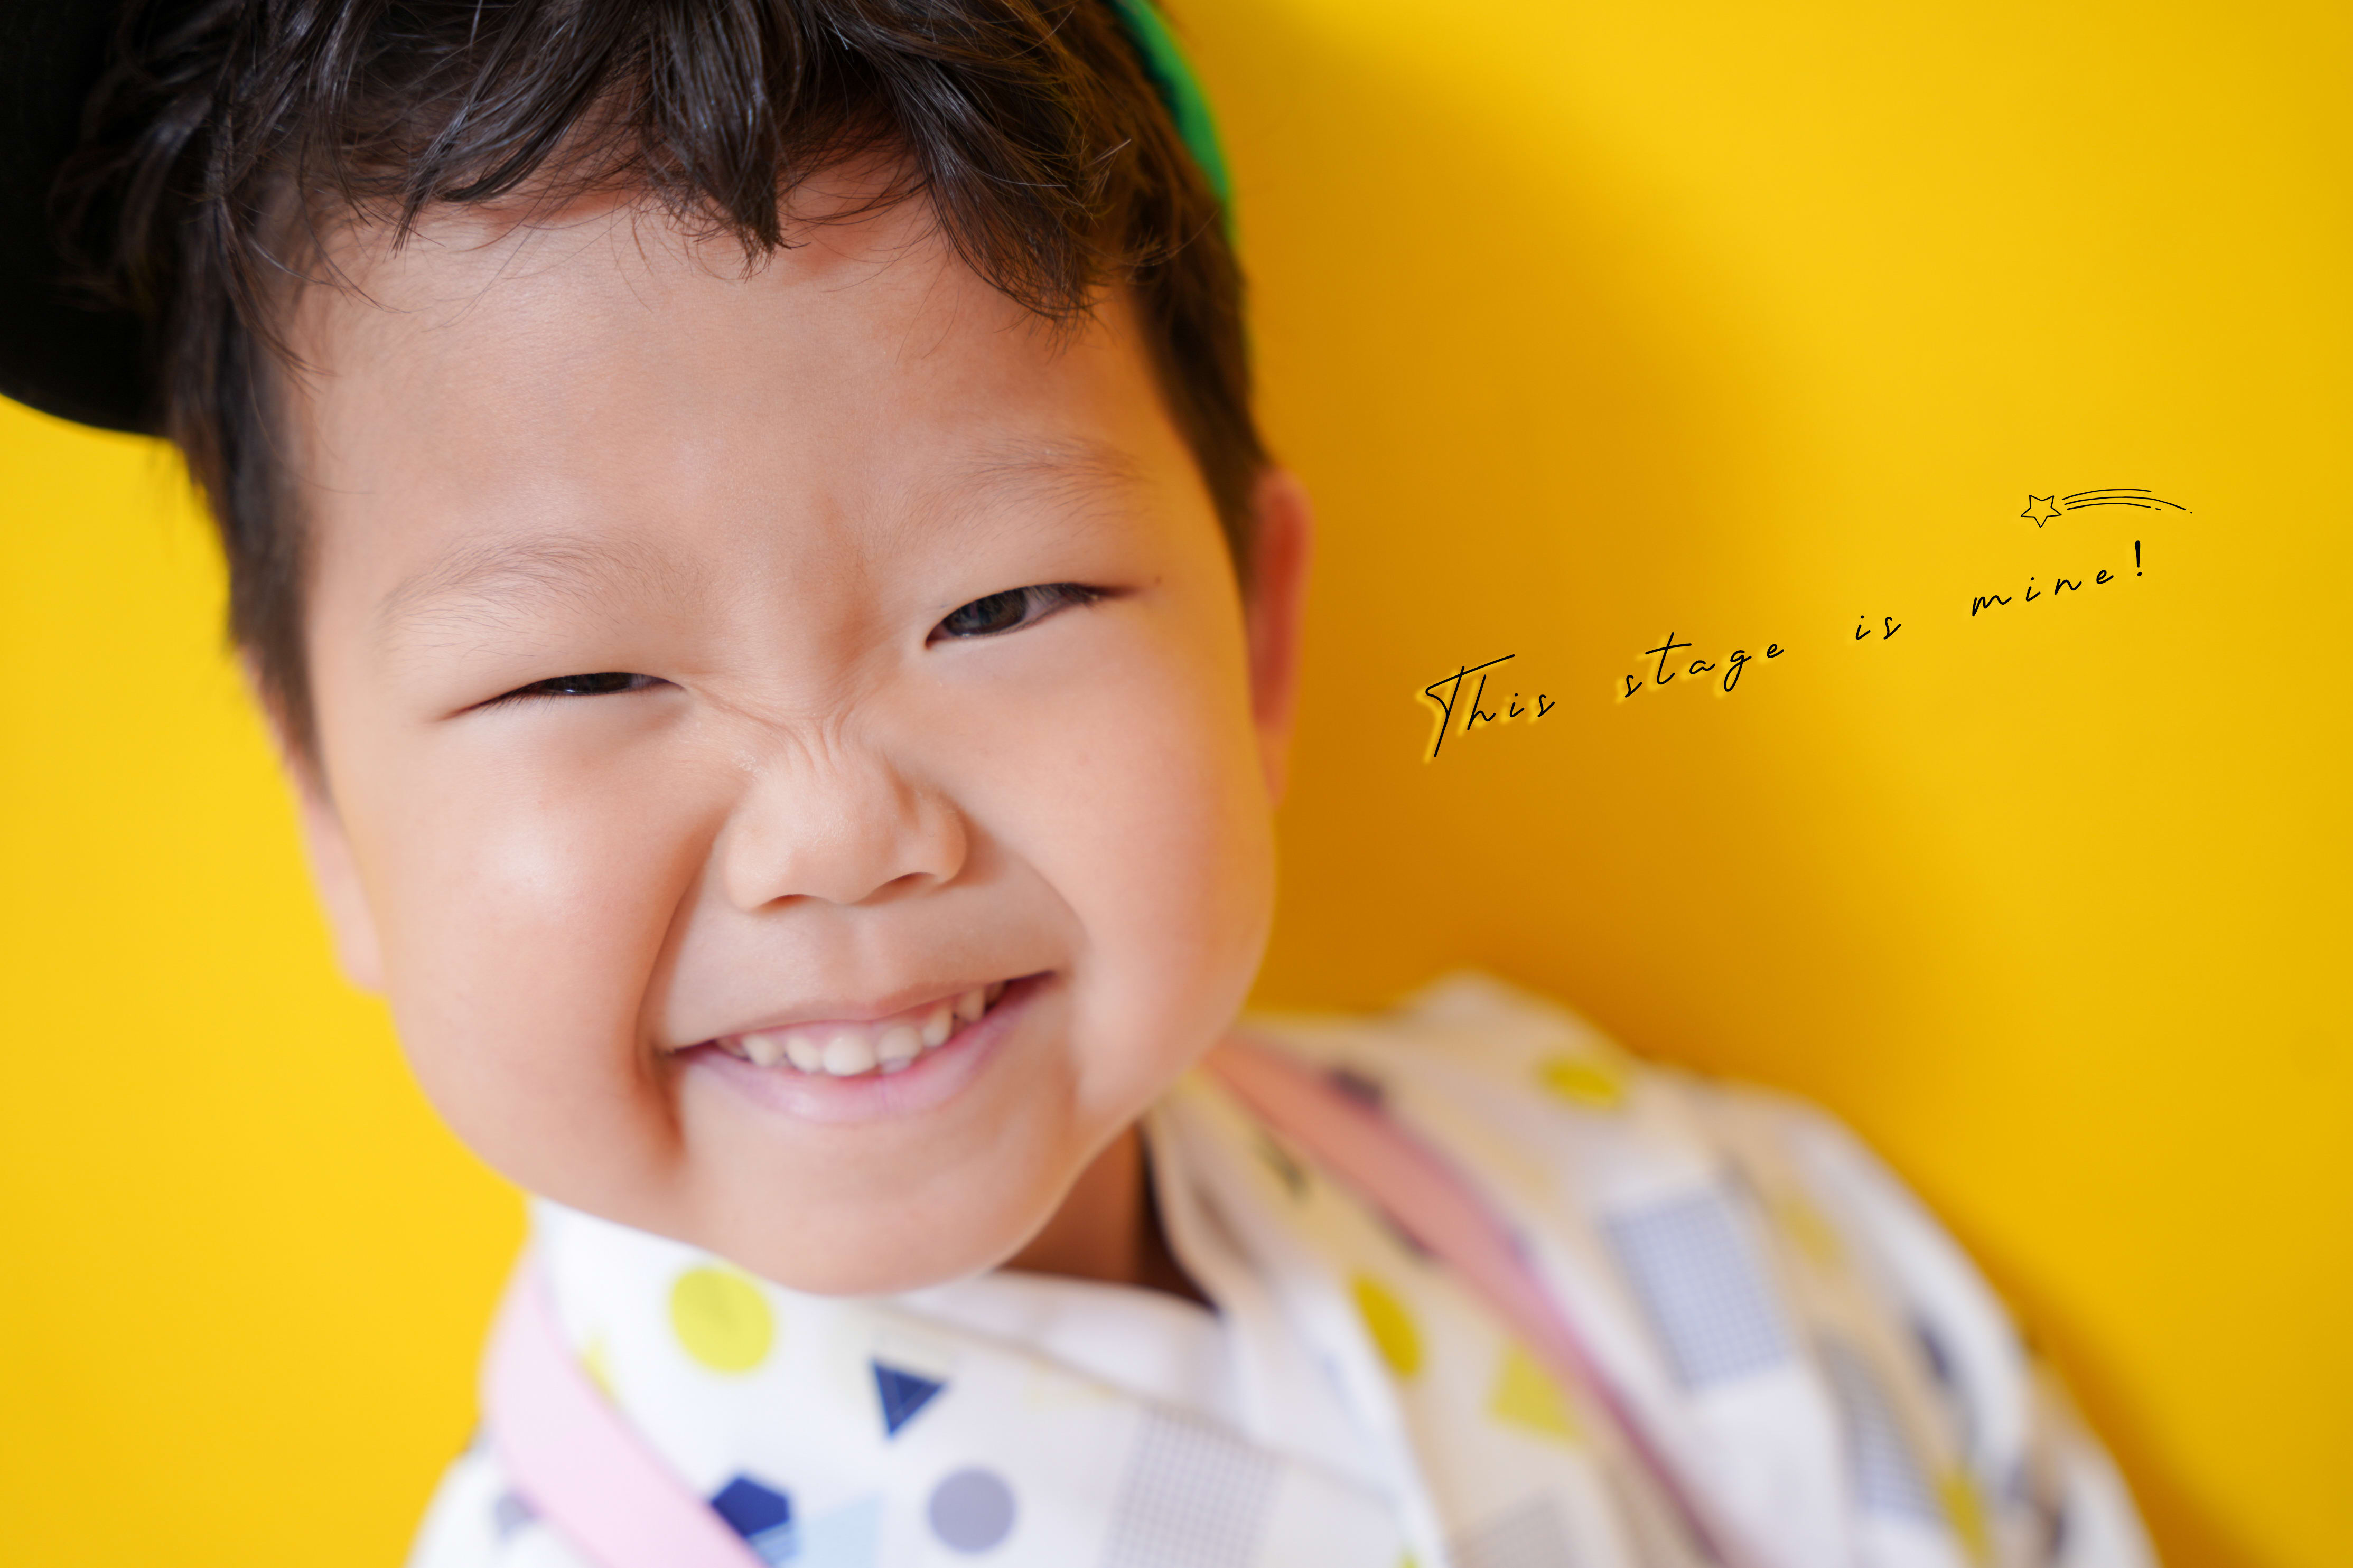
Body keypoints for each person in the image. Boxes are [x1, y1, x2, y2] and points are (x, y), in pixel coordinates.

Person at [1, 2, 2153, 1565]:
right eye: (579, 670)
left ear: (1262, 638)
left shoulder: (1601, 1196)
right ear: (328, 818)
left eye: (1006, 604)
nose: (841, 826)